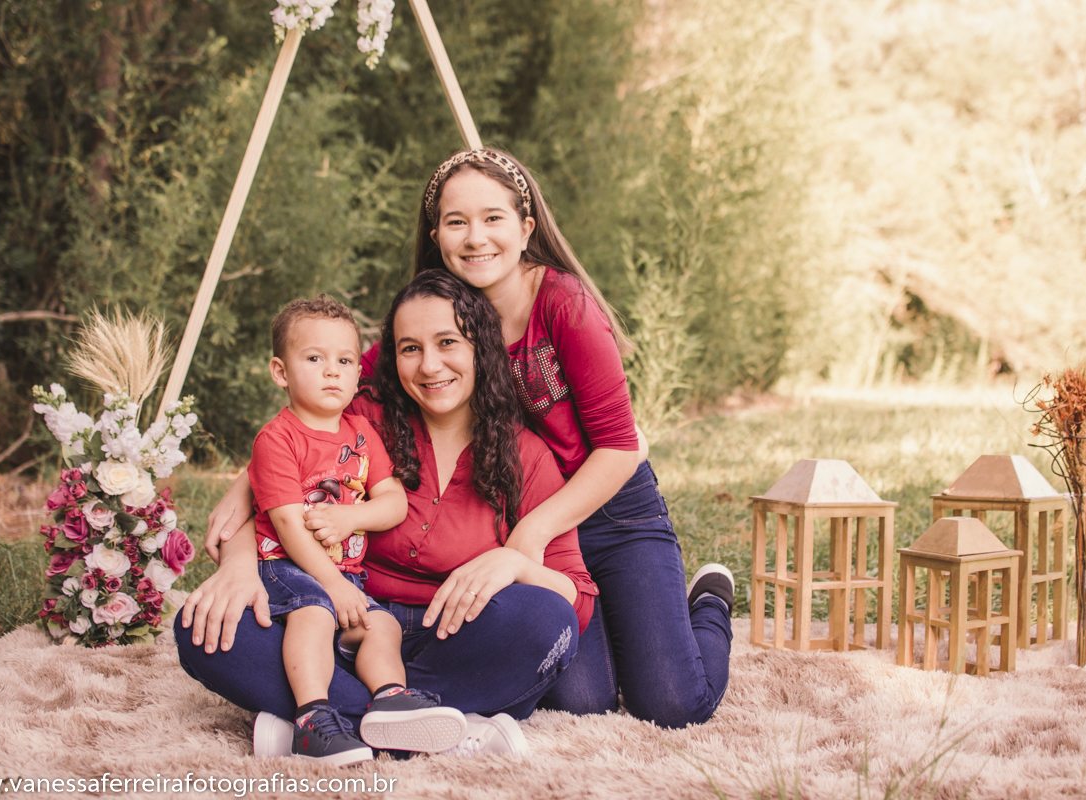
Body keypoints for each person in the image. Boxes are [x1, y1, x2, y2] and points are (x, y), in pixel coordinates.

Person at [176, 271, 598, 756]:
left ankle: (321, 719)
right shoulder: (362, 420)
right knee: (202, 627)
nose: (430, 364)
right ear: (390, 358)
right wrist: (236, 564)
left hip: (456, 637)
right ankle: (452, 727)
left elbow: (577, 598)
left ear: (481, 348)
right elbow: (278, 500)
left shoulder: (526, 455)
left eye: (448, 342)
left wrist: (519, 565)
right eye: (410, 348)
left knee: (547, 621)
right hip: (343, 623)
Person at [412, 148, 734, 727]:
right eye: (457, 221)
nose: (475, 237)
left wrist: (529, 535)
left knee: (671, 704)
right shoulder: (439, 313)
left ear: (526, 226)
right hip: (531, 532)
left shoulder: (565, 305)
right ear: (436, 234)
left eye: (493, 218)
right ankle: (622, 622)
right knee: (579, 700)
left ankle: (706, 603)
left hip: (614, 514)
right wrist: (253, 485)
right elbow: (351, 386)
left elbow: (620, 447)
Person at [247, 295, 463, 764]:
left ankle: (390, 700)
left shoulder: (361, 432)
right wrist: (330, 585)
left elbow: (394, 503)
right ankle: (312, 720)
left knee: (379, 623)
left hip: (345, 577)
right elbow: (286, 523)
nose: (332, 372)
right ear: (281, 372)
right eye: (314, 359)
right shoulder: (277, 438)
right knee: (315, 614)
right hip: (287, 566)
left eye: (345, 360)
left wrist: (350, 517)